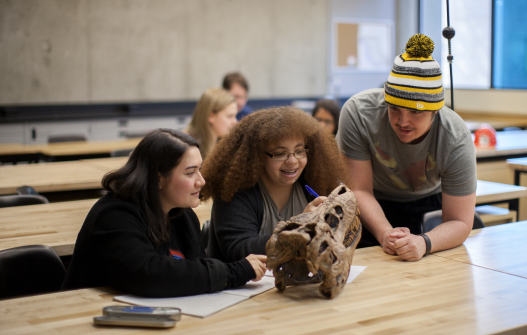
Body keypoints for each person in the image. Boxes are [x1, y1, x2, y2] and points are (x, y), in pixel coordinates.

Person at [61, 128, 267, 297]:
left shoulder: (183, 216)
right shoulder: (114, 215)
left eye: (200, 170)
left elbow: (193, 272)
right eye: (190, 172)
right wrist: (232, 272)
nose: (201, 181)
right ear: (158, 179)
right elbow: (149, 275)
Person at [336, 34, 477, 262]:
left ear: (435, 110)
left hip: (429, 205)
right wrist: (385, 233)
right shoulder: (358, 113)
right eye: (394, 109)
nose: (402, 122)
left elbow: (460, 221)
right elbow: (359, 189)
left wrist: (425, 242)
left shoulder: (455, 137)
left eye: (416, 112)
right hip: (371, 206)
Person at [200, 107, 349, 262]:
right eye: (279, 154)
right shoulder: (235, 191)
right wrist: (300, 228)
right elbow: (240, 250)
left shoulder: (315, 182)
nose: (292, 161)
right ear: (256, 156)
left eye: (299, 151)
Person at [185, 88, 238, 159]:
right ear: (211, 116)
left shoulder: (222, 145)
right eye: (230, 116)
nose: (235, 122)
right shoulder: (186, 147)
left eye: (235, 116)